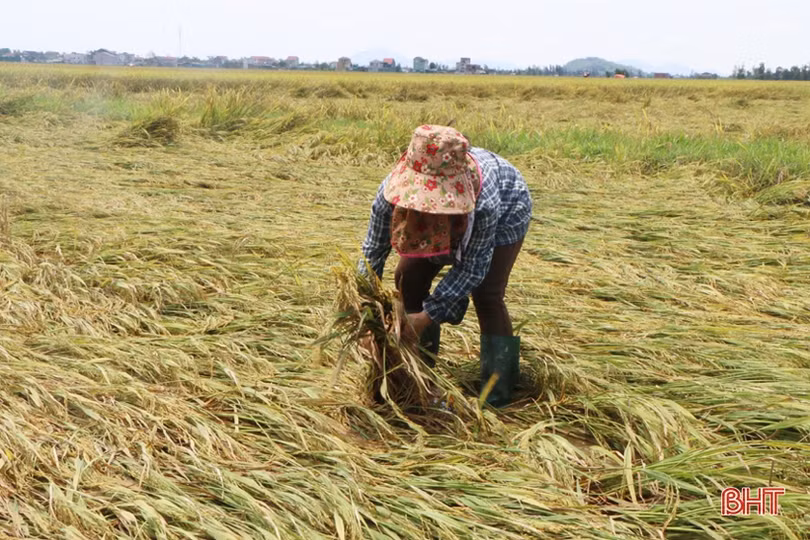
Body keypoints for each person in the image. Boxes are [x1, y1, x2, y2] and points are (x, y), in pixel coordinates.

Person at [358, 125, 532, 407]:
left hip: (508, 206)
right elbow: (372, 254)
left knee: (487, 294)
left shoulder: (483, 204)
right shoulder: (390, 193)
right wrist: (366, 318)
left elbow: (472, 269)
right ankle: (418, 373)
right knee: (407, 277)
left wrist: (427, 316)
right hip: (467, 209)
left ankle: (497, 393)